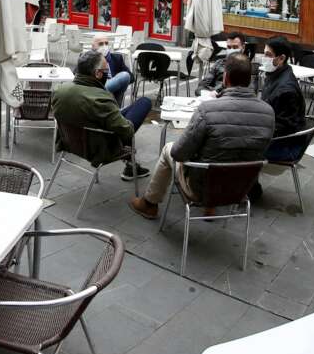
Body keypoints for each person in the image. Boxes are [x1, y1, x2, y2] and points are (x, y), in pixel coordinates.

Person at [129, 53, 274, 219]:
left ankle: (149, 204)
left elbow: (179, 153)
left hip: (202, 189)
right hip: (240, 190)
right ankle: (210, 208)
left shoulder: (208, 110)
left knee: (169, 149)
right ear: (249, 80)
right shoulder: (268, 112)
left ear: (225, 78)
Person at [52, 50, 152, 181]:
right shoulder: (101, 99)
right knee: (144, 102)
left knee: (122, 112)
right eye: (107, 70)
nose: (108, 74)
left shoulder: (59, 90)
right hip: (99, 149)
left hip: (69, 143)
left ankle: (131, 165)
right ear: (98, 74)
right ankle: (131, 166)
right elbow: (127, 131)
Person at [260, 36, 306, 162]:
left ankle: (248, 180)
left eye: (268, 55)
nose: (264, 59)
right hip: (274, 135)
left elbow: (284, 128)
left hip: (284, 146)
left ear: (281, 58)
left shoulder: (286, 90)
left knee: (238, 146)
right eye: (264, 54)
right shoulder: (275, 75)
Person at [91, 34, 131, 106]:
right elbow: (76, 76)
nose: (104, 46)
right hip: (94, 90)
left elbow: (130, 76)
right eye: (101, 44)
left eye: (106, 43)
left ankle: (116, 109)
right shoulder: (87, 58)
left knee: (124, 76)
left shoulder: (116, 58)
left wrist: (116, 81)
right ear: (93, 46)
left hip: (113, 94)